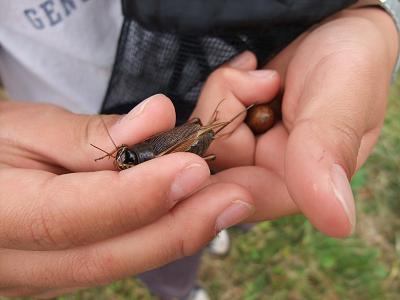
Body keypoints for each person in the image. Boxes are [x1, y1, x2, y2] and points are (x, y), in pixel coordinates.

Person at [0, 0, 398, 298]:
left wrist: (369, 13)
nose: (122, 160)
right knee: (161, 244)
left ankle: (221, 229)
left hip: (222, 117)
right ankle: (182, 289)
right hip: (68, 132)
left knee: (228, 191)